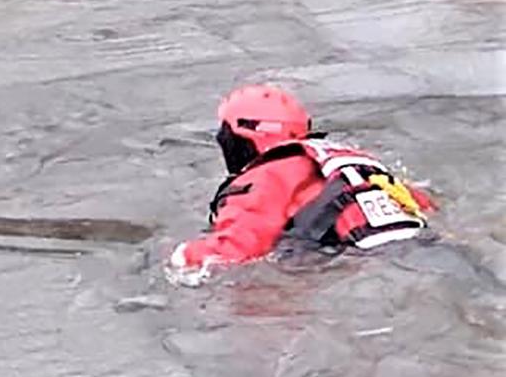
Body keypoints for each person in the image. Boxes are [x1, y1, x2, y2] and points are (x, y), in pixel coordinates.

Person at [167, 84, 432, 285]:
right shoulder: (346, 162)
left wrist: (181, 257)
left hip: (366, 272)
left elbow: (237, 248)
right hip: (424, 249)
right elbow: (423, 204)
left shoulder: (265, 177)